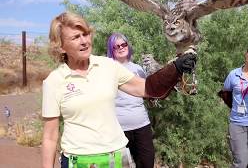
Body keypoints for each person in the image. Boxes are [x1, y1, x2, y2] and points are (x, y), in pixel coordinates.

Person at [41, 12, 196, 168]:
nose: (84, 41)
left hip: (116, 158)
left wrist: (175, 68)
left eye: (86, 34)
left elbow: (147, 89)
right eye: (75, 37)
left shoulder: (108, 66)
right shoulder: (54, 81)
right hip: (78, 161)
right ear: (61, 47)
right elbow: (50, 136)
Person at [106, 33, 155, 168]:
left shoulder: (138, 68)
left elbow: (147, 92)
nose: (121, 48)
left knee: (147, 163)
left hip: (142, 125)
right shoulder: (108, 69)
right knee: (121, 165)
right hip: (119, 129)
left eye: (124, 44)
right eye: (116, 46)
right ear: (111, 50)